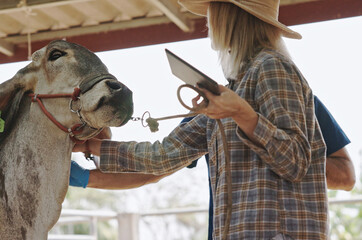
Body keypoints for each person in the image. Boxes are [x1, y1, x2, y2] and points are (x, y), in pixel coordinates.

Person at [74, 1, 330, 239]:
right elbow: (164, 154)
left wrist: (242, 114)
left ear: (230, 17)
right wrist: (87, 146)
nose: (209, 21)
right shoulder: (234, 89)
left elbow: (296, 161)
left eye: (213, 10)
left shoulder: (271, 67)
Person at [70, 96, 354, 239]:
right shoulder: (214, 111)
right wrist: (83, 177)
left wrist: (276, 146)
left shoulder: (301, 102)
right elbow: (155, 166)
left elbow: (346, 177)